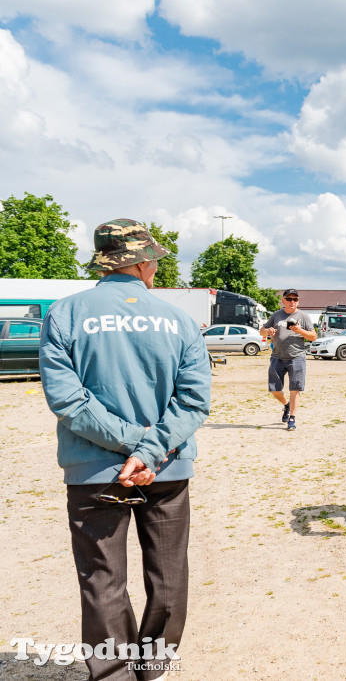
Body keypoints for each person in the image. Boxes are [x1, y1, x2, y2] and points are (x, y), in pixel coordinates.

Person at [39, 219, 211, 681]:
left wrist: (131, 445)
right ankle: (152, 668)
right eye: (154, 259)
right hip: (166, 469)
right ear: (142, 262)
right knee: (169, 576)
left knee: (101, 580)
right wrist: (149, 449)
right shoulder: (179, 321)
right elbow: (194, 401)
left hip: (94, 471)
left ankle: (113, 675)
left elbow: (67, 400)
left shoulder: (65, 313)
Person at [260, 289, 316, 430]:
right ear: (283, 300)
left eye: (295, 299)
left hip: (297, 357)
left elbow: (313, 336)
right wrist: (268, 331)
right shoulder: (277, 315)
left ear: (298, 301)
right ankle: (286, 405)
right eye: (289, 299)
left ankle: (292, 418)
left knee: (295, 389)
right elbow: (261, 331)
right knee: (274, 389)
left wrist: (300, 331)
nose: (292, 302)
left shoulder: (303, 316)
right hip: (277, 357)